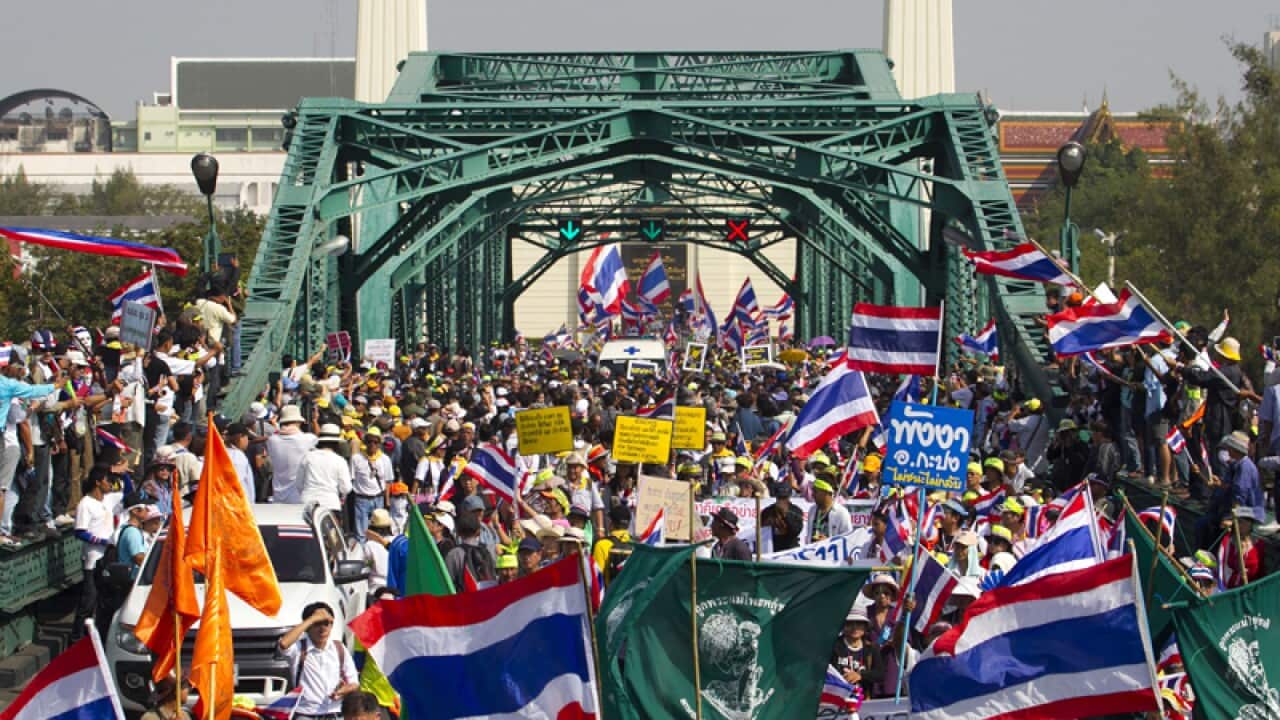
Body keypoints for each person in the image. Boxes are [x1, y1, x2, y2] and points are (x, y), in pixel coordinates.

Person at [278, 602, 359, 719]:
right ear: (308, 626)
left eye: (326, 623)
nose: (323, 629)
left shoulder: (339, 648)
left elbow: (354, 683)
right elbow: (283, 644)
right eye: (317, 624)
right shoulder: (299, 648)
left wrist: (343, 690)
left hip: (335, 713)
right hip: (306, 713)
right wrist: (312, 619)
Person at [72, 467, 115, 639]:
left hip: (108, 558)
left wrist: (121, 473)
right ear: (98, 482)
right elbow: (79, 532)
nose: (111, 484)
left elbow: (128, 491)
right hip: (92, 559)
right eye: (107, 480)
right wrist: (102, 541)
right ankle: (77, 638)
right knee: (88, 601)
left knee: (104, 601)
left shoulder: (107, 500)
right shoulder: (85, 504)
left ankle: (96, 636)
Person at [268, 405, 318, 504]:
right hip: (298, 496)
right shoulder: (307, 439)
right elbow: (320, 439)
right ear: (298, 422)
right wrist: (315, 421)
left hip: (278, 496)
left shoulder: (272, 440)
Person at [297, 424, 353, 514]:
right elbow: (346, 488)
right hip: (330, 503)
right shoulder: (340, 461)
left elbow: (299, 484)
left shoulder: (307, 457)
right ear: (336, 443)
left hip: (307, 502)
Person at [831, 607, 884, 697]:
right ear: (843, 626)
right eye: (850, 623)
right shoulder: (833, 647)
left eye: (859, 623)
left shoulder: (872, 648)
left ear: (865, 627)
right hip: (837, 698)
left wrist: (861, 675)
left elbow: (880, 674)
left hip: (863, 699)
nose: (855, 627)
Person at [350, 429, 392, 539]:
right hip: (361, 499)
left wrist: (387, 500)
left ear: (379, 443)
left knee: (378, 531)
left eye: (375, 442)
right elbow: (352, 478)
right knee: (361, 533)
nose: (372, 444)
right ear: (365, 442)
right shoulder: (356, 459)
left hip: (378, 499)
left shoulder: (385, 459)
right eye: (369, 441)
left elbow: (388, 481)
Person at [759, 486, 804, 552]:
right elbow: (761, 531)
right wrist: (769, 523)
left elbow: (796, 531)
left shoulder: (796, 511)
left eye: (784, 498)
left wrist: (786, 514)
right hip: (772, 548)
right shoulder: (767, 511)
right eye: (780, 498)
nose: (782, 501)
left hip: (790, 548)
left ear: (789, 497)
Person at [363, 509, 394, 589]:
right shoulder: (397, 540)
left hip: (377, 585)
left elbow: (366, 566)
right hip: (396, 584)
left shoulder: (369, 545)